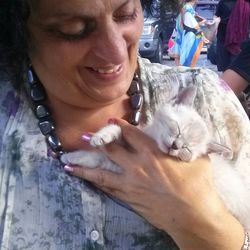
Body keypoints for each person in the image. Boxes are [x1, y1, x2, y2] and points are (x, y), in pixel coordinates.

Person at [0, 0, 249, 250]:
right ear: (20, 32)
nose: (116, 52)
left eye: (126, 15)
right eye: (73, 29)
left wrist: (207, 227)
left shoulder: (210, 101)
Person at [215, 0, 250, 72]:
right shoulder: (246, 3)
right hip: (229, 39)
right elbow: (217, 18)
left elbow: (216, 18)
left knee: (232, 68)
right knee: (235, 69)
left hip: (238, 40)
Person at [168, 0, 206, 67]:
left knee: (178, 56)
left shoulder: (185, 7)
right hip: (186, 35)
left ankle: (180, 73)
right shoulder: (188, 9)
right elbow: (191, 25)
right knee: (185, 60)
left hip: (179, 35)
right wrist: (201, 34)